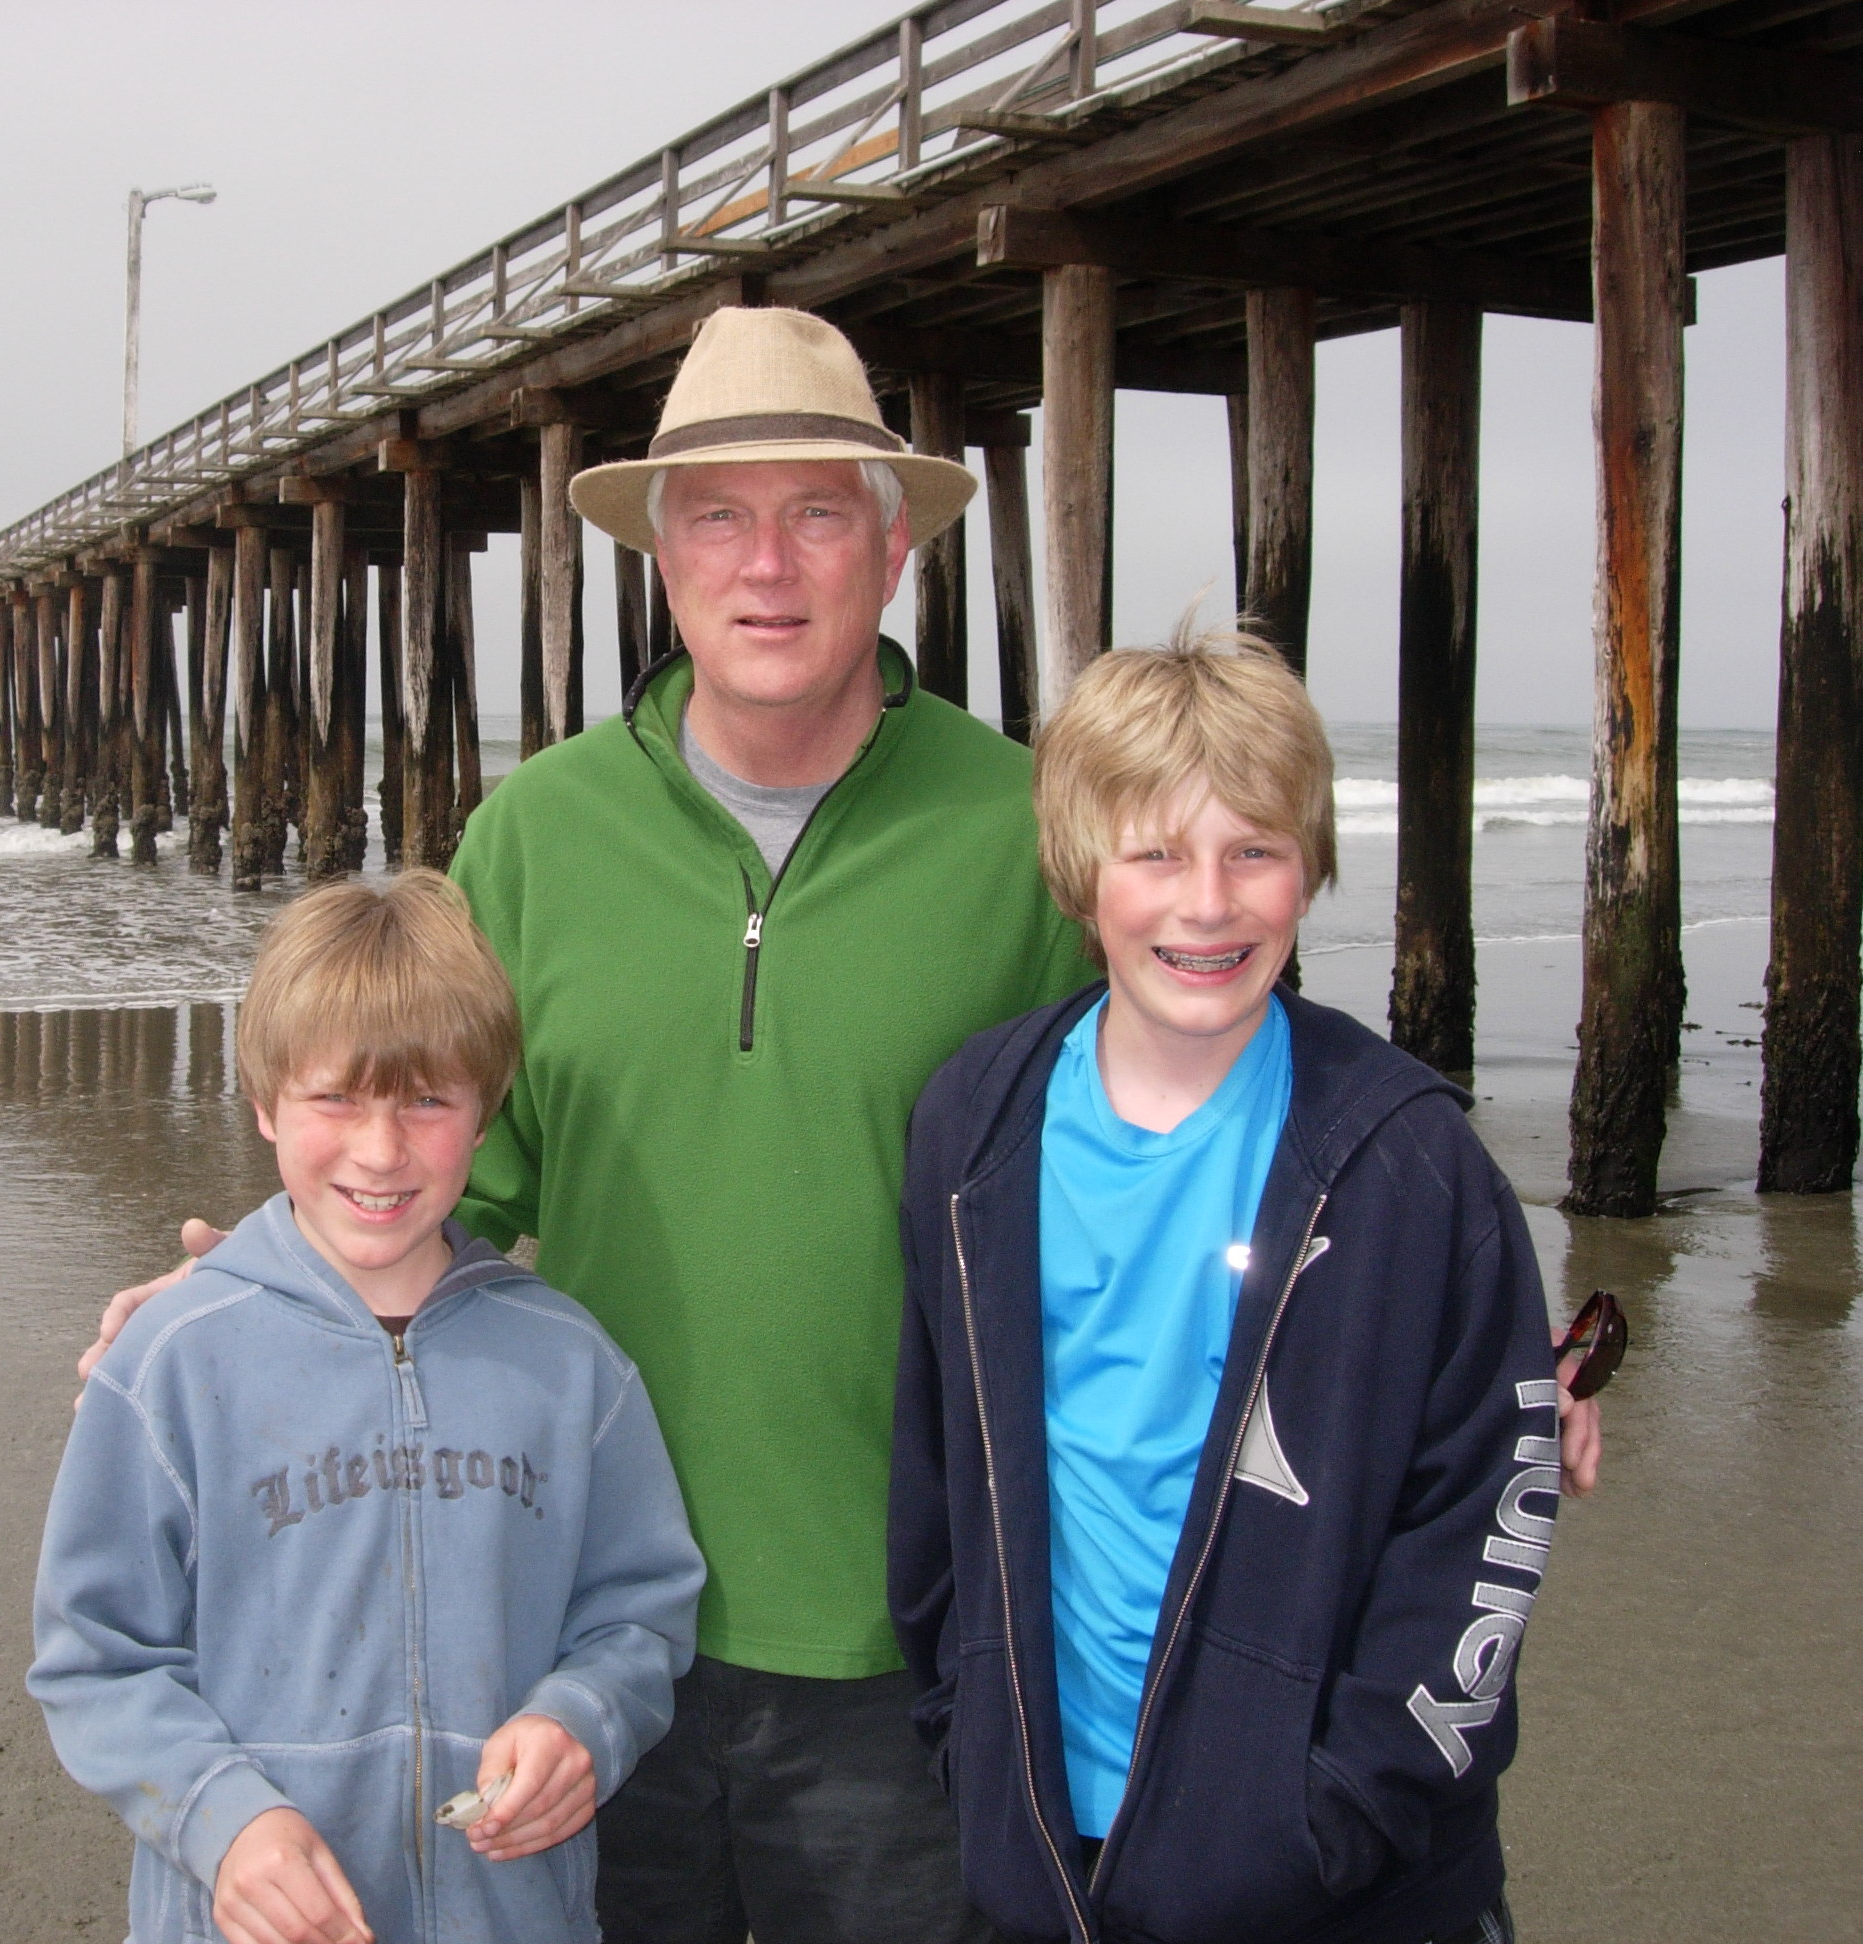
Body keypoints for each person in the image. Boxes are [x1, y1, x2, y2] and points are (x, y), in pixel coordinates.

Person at [84, 306, 1600, 1943]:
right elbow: (430, 1163)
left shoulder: (1018, 825)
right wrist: (245, 1290)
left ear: (892, 551)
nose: (767, 563)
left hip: (918, 1648)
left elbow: (1208, 1100)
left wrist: (1474, 1351)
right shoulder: (532, 833)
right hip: (586, 1630)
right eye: (718, 517)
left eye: (817, 513)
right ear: (659, 559)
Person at [890, 626, 1553, 1944]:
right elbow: (936, 1464)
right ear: (1080, 873)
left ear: (1310, 864)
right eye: (1155, 854)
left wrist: (1338, 1812)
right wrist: (966, 1731)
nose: (1208, 904)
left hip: (1339, 1881)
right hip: (1045, 1845)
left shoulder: (1406, 1162)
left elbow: (1488, 1511)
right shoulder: (975, 1123)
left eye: (1254, 851)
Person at [32, 870, 703, 1944]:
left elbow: (640, 1609)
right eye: (334, 1098)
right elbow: (95, 1653)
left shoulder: (569, 1364)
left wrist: (582, 1720)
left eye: (428, 1101)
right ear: (263, 1101)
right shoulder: (173, 1363)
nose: (381, 1150)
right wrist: (223, 1822)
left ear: (486, 1114)